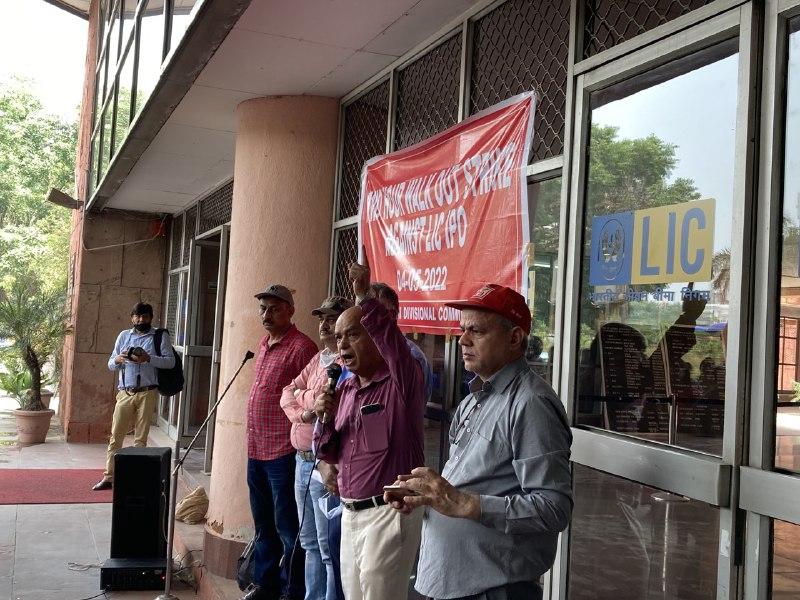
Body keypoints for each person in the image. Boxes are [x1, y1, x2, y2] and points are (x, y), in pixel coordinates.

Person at [386, 283, 573, 600]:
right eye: (462, 330)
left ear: (514, 338)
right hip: (448, 579)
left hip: (493, 589)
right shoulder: (473, 400)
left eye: (477, 331)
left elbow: (554, 508)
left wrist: (466, 504)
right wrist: (426, 495)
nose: (463, 340)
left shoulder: (531, 403)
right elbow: (471, 481)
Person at [313, 256, 425, 600]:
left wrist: (364, 298)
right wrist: (323, 416)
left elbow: (395, 344)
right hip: (349, 513)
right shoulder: (344, 388)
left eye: (353, 335)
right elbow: (328, 450)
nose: (342, 345)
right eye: (338, 337)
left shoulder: (402, 381)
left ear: (376, 337)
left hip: (388, 514)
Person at [243, 284, 319, 600]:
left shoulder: (302, 347)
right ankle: (265, 584)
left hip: (283, 452)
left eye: (274, 308)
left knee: (288, 527)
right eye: (263, 308)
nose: (267, 314)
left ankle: (292, 588)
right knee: (263, 524)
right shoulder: (263, 343)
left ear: (289, 310)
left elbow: (307, 394)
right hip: (256, 448)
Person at [280, 296, 353, 600]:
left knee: (327, 546)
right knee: (308, 541)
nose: (324, 325)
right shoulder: (318, 359)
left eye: (331, 318)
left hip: (325, 464)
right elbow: (286, 393)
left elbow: (332, 404)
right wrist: (307, 410)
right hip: (301, 461)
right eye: (321, 318)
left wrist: (304, 395)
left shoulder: (346, 364)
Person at [93, 302, 175, 491]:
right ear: (132, 318)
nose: (141, 320)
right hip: (125, 392)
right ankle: (109, 477)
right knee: (116, 436)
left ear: (151, 318)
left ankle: (137, 478)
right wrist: (119, 359)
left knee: (141, 439)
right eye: (137, 317)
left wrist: (148, 358)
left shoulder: (159, 336)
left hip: (147, 392)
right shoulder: (124, 336)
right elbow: (110, 364)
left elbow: (170, 362)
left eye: (145, 316)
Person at [370, 282, 434, 403]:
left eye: (375, 313)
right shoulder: (358, 353)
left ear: (393, 315)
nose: (367, 319)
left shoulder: (412, 356)